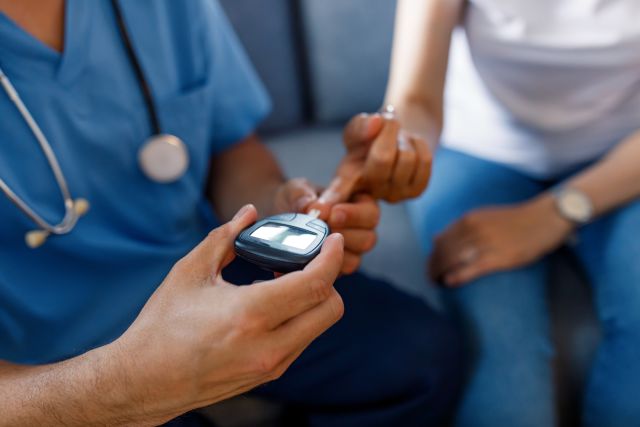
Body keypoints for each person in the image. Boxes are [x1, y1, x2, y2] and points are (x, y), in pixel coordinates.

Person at [0, 0, 462, 425]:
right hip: (46, 362)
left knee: (420, 358)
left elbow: (232, 149)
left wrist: (277, 205)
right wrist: (126, 387)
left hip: (208, 274)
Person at [384, 0, 640, 426]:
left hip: (622, 156)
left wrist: (553, 214)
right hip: (476, 150)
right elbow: (415, 98)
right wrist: (396, 149)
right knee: (505, 377)